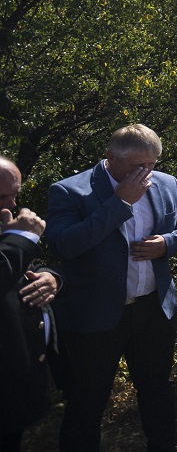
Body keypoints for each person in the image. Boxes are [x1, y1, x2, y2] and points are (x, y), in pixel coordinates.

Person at [45, 124, 177, 452]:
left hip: (153, 309)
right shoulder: (70, 191)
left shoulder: (166, 183)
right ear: (111, 157)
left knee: (157, 389)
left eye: (150, 165)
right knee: (87, 400)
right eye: (136, 166)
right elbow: (63, 245)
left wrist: (167, 243)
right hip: (96, 315)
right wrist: (119, 203)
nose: (144, 174)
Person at [1, 156, 61, 451]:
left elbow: (23, 268)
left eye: (15, 195)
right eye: (3, 196)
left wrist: (51, 279)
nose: (12, 205)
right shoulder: (15, 231)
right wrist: (23, 237)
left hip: (13, 387)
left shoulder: (4, 223)